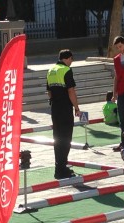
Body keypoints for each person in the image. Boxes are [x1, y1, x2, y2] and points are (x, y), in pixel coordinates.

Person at [47, 49, 81, 179]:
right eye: (71, 59)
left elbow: (49, 92)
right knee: (66, 138)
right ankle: (62, 168)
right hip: (65, 108)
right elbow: (71, 91)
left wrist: (54, 100)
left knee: (58, 137)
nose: (71, 62)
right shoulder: (66, 70)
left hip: (55, 108)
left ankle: (59, 166)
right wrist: (76, 107)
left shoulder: (51, 70)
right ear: (67, 58)